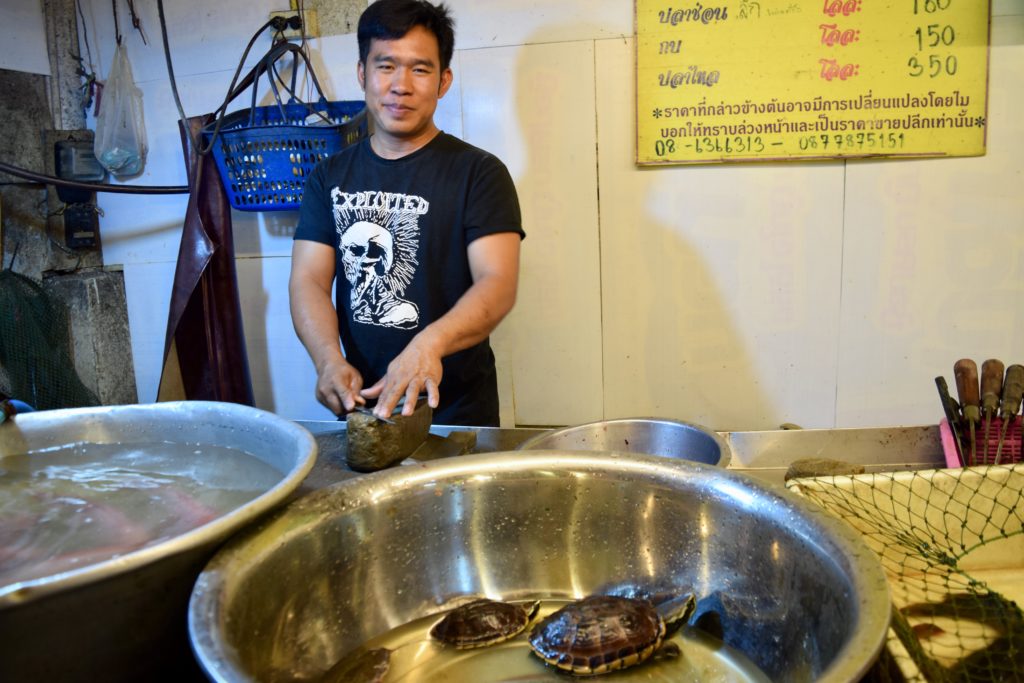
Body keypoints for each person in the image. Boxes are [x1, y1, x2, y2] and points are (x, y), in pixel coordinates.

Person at [289, 0, 524, 427]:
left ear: (443, 81)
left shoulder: (479, 173)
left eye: (420, 69)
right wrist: (327, 359)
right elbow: (309, 279)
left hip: (455, 415)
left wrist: (429, 344)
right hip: (364, 409)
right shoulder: (328, 176)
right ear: (362, 74)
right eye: (386, 66)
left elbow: (497, 283)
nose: (401, 86)